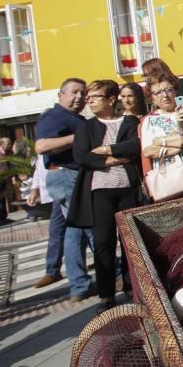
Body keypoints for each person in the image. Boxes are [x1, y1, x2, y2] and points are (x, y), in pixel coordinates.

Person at [68, 80, 140, 314]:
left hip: (128, 188)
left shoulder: (129, 121)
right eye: (88, 97)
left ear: (111, 99)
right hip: (100, 191)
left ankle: (132, 286)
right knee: (102, 242)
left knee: (130, 241)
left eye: (95, 96)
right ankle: (106, 294)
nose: (89, 100)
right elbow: (81, 157)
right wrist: (115, 159)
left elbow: (134, 146)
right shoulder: (86, 127)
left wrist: (105, 149)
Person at [34, 78, 94, 299]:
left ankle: (80, 285)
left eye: (82, 93)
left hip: (71, 176)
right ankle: (110, 274)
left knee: (73, 231)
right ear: (60, 95)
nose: (79, 97)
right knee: (88, 225)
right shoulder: (54, 116)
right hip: (67, 175)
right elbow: (41, 146)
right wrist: (78, 136)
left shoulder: (74, 117)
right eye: (74, 92)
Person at [141, 73, 183, 200]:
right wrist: (176, 146)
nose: (164, 95)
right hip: (168, 180)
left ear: (175, 91)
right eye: (158, 93)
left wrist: (160, 141)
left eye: (168, 90)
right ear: (152, 98)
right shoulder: (150, 121)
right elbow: (148, 151)